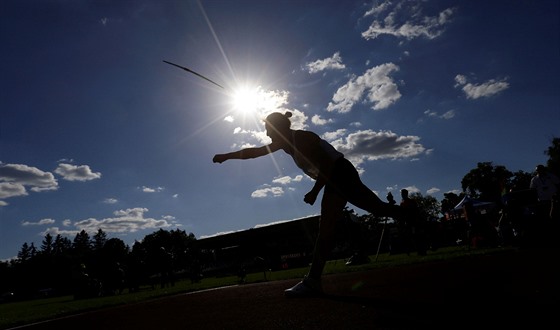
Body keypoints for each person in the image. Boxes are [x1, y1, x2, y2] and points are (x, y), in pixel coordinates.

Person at [213, 111, 407, 297]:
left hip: (340, 176)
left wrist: (315, 191)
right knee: (376, 211)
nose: (266, 133)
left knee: (336, 226)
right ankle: (413, 217)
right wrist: (227, 156)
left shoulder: (303, 139)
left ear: (278, 128)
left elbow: (328, 164)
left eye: (268, 129)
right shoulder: (286, 143)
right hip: (338, 177)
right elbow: (254, 153)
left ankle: (313, 281)